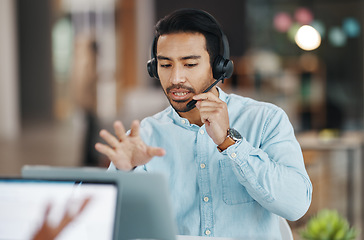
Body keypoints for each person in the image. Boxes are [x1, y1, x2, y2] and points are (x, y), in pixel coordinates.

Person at [95, 8, 312, 239]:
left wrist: (230, 143)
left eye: (189, 65)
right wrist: (124, 172)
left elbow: (296, 205)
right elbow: (106, 226)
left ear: (219, 67)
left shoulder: (266, 120)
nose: (176, 78)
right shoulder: (143, 137)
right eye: (166, 65)